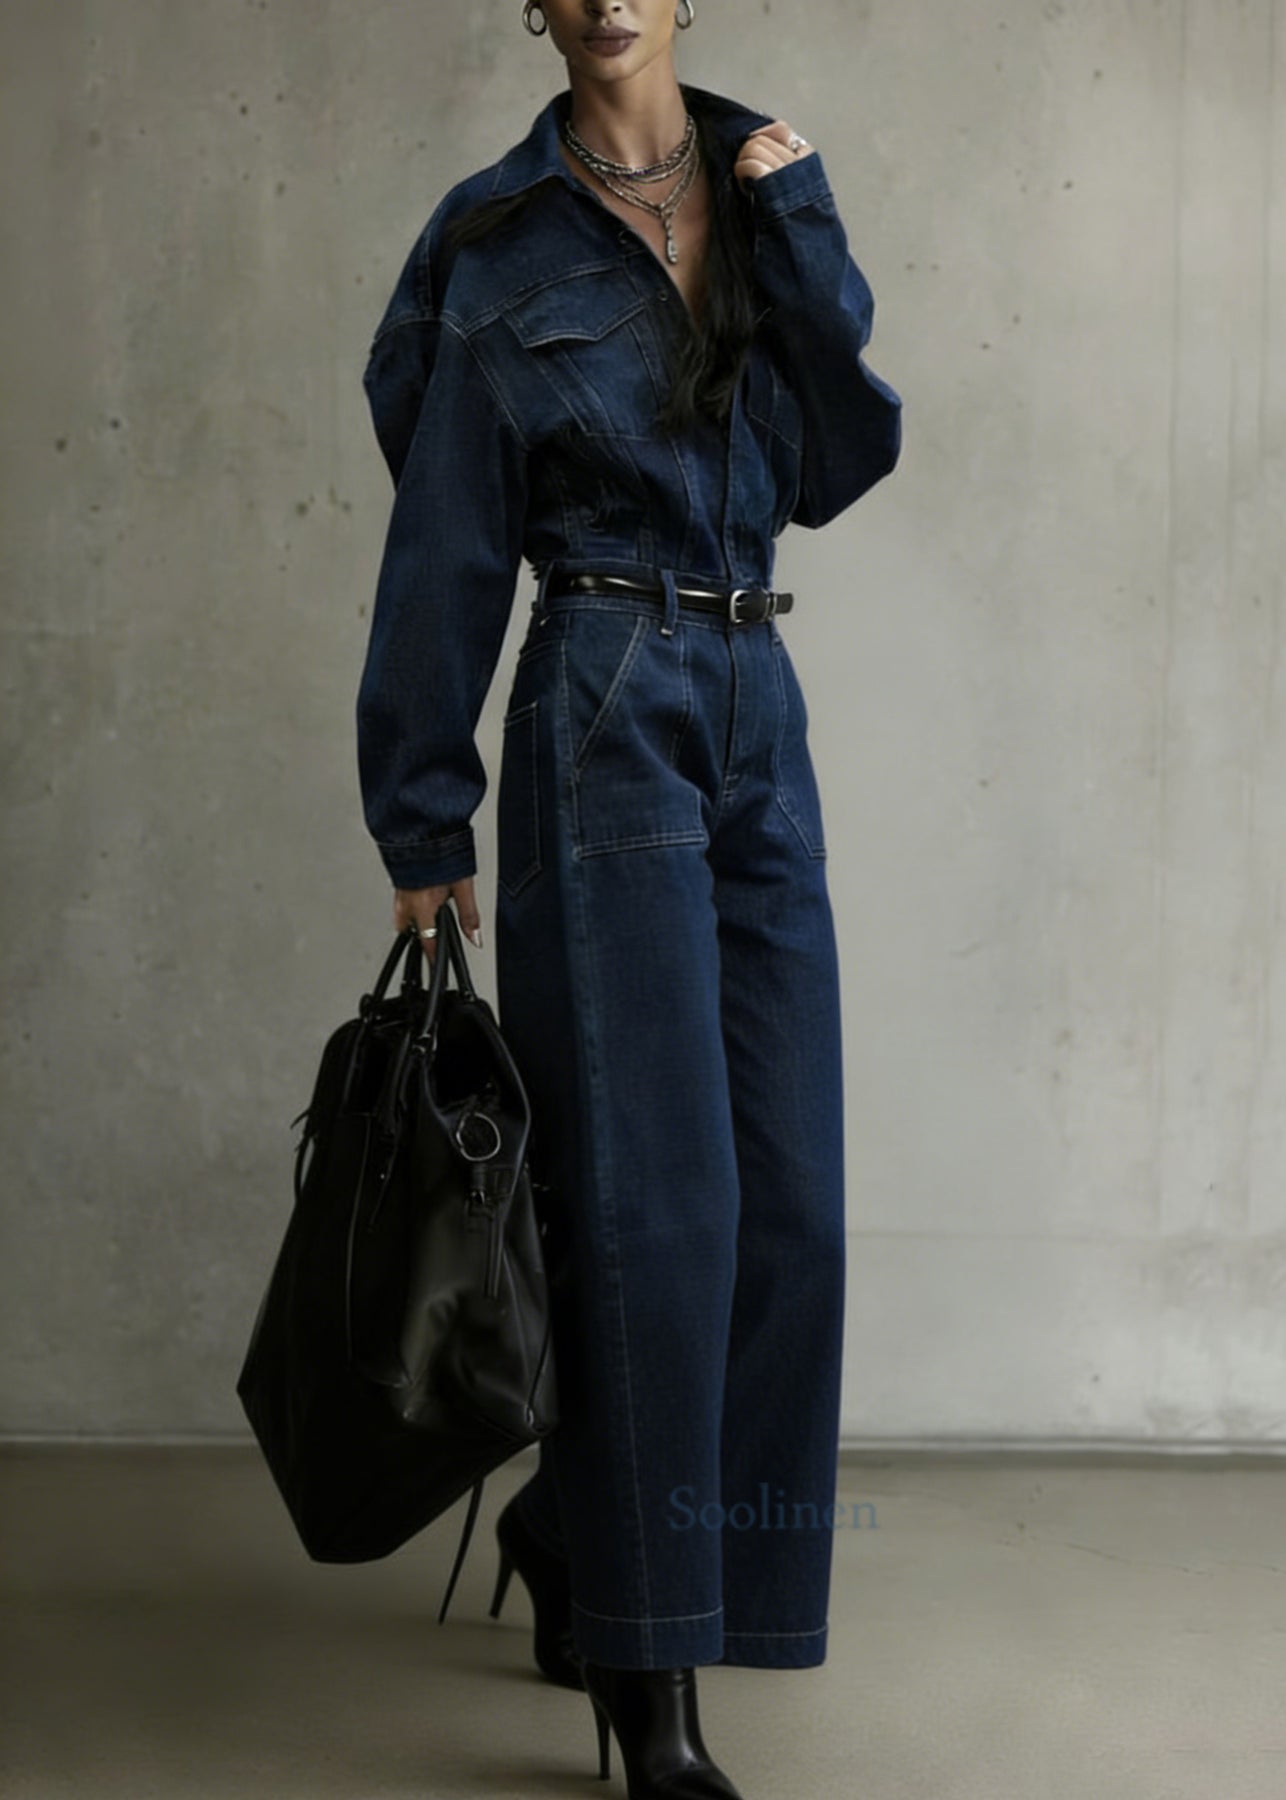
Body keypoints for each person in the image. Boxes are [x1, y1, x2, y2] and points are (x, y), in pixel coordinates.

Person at [356, 2, 902, 1793]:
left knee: (789, 1210)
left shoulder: (763, 192)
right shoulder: (494, 243)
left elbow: (838, 462)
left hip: (758, 696)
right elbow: (443, 533)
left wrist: (798, 231)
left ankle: (584, 1539)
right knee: (657, 1207)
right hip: (600, 696)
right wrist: (422, 813)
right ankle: (642, 1678)